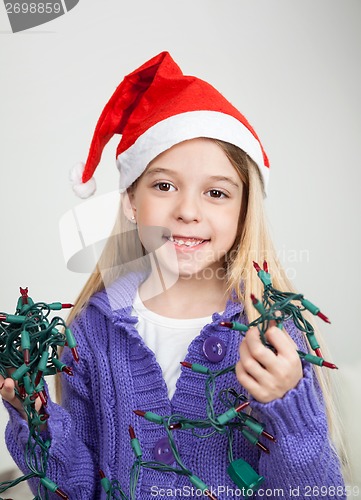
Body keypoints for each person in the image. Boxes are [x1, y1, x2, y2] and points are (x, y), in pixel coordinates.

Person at [1, 51, 346, 499]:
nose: (187, 211)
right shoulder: (90, 333)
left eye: (216, 193)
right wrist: (34, 415)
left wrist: (287, 404)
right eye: (164, 186)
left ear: (243, 213)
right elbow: (70, 491)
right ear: (130, 200)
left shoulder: (272, 337)